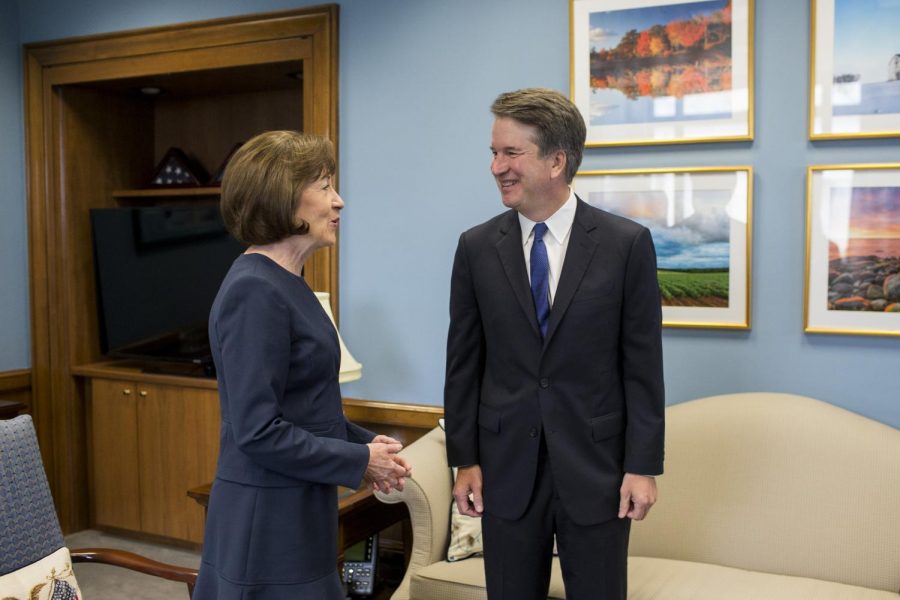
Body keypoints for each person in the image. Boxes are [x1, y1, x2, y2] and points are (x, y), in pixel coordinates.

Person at [444, 88, 665, 600]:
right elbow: (463, 364)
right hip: (505, 470)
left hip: (598, 471)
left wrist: (642, 466)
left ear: (556, 161)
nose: (497, 166)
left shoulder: (626, 244)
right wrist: (465, 460)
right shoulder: (476, 247)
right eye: (494, 153)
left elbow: (643, 366)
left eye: (511, 153)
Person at [194, 130, 411, 600]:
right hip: (267, 519)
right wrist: (358, 460)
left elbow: (306, 407)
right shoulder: (255, 290)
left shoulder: (287, 282)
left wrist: (366, 445)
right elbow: (257, 430)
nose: (340, 202)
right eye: (325, 185)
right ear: (284, 198)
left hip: (298, 505)